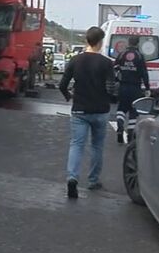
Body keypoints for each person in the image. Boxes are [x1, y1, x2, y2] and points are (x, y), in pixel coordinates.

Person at [59, 27, 115, 198]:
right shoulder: (107, 63)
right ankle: (93, 180)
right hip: (100, 110)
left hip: (79, 109)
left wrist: (69, 96)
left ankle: (72, 178)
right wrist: (109, 98)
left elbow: (62, 85)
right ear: (100, 42)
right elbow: (111, 89)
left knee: (76, 145)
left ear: (86, 41)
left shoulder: (75, 60)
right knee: (97, 146)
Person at [114, 36, 150, 144]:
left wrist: (116, 80)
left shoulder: (121, 54)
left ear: (128, 43)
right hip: (135, 87)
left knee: (121, 108)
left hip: (123, 86)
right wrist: (147, 87)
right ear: (137, 43)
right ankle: (130, 134)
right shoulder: (139, 56)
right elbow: (144, 73)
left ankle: (120, 125)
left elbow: (115, 68)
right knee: (133, 111)